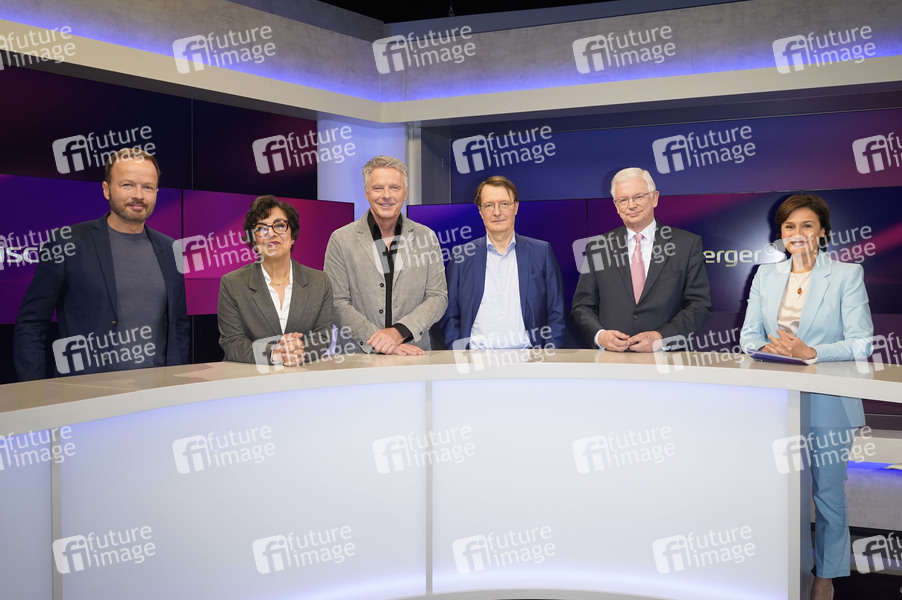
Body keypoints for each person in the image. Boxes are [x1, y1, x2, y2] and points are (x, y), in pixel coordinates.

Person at [739, 194, 873, 600]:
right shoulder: (766, 274)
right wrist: (765, 349)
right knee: (773, 493)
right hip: (773, 402)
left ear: (823, 232)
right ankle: (776, 568)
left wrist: (810, 352)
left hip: (828, 400)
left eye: (807, 225)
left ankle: (826, 575)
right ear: (780, 234)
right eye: (789, 226)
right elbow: (748, 336)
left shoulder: (847, 274)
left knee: (827, 494)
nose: (797, 233)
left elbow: (862, 342)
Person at [14, 148, 189, 380]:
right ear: (107, 190)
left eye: (147, 187)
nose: (138, 195)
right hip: (87, 391)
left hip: (157, 392)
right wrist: (32, 390)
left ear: (156, 192)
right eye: (127, 185)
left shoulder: (170, 249)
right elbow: (32, 323)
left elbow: (179, 326)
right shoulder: (68, 243)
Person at [570, 167, 712, 352]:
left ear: (654, 198)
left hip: (666, 359)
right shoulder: (598, 247)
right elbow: (582, 306)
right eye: (623, 200)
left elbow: (700, 305)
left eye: (638, 197)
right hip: (612, 359)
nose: (631, 205)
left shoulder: (687, 244)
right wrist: (600, 335)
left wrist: (661, 337)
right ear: (616, 206)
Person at [324, 155, 447, 355]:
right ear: (366, 192)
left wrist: (398, 333)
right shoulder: (341, 239)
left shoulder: (427, 237)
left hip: (413, 354)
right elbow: (336, 302)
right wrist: (382, 341)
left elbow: (437, 297)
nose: (386, 195)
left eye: (394, 187)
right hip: (357, 357)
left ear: (405, 192)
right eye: (378, 188)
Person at [440, 175, 565, 349]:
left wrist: (550, 353)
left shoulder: (541, 252)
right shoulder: (462, 256)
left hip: (530, 357)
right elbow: (450, 315)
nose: (497, 212)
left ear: (516, 207)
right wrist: (460, 352)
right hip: (475, 358)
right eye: (489, 205)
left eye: (504, 204)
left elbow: (556, 312)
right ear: (480, 211)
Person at [217, 196, 333, 365]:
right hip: (250, 376)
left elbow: (322, 337)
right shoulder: (232, 283)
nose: (271, 234)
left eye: (279, 226)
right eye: (262, 229)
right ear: (254, 241)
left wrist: (299, 351)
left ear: (293, 236)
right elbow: (232, 342)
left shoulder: (320, 282)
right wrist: (274, 354)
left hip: (303, 375)